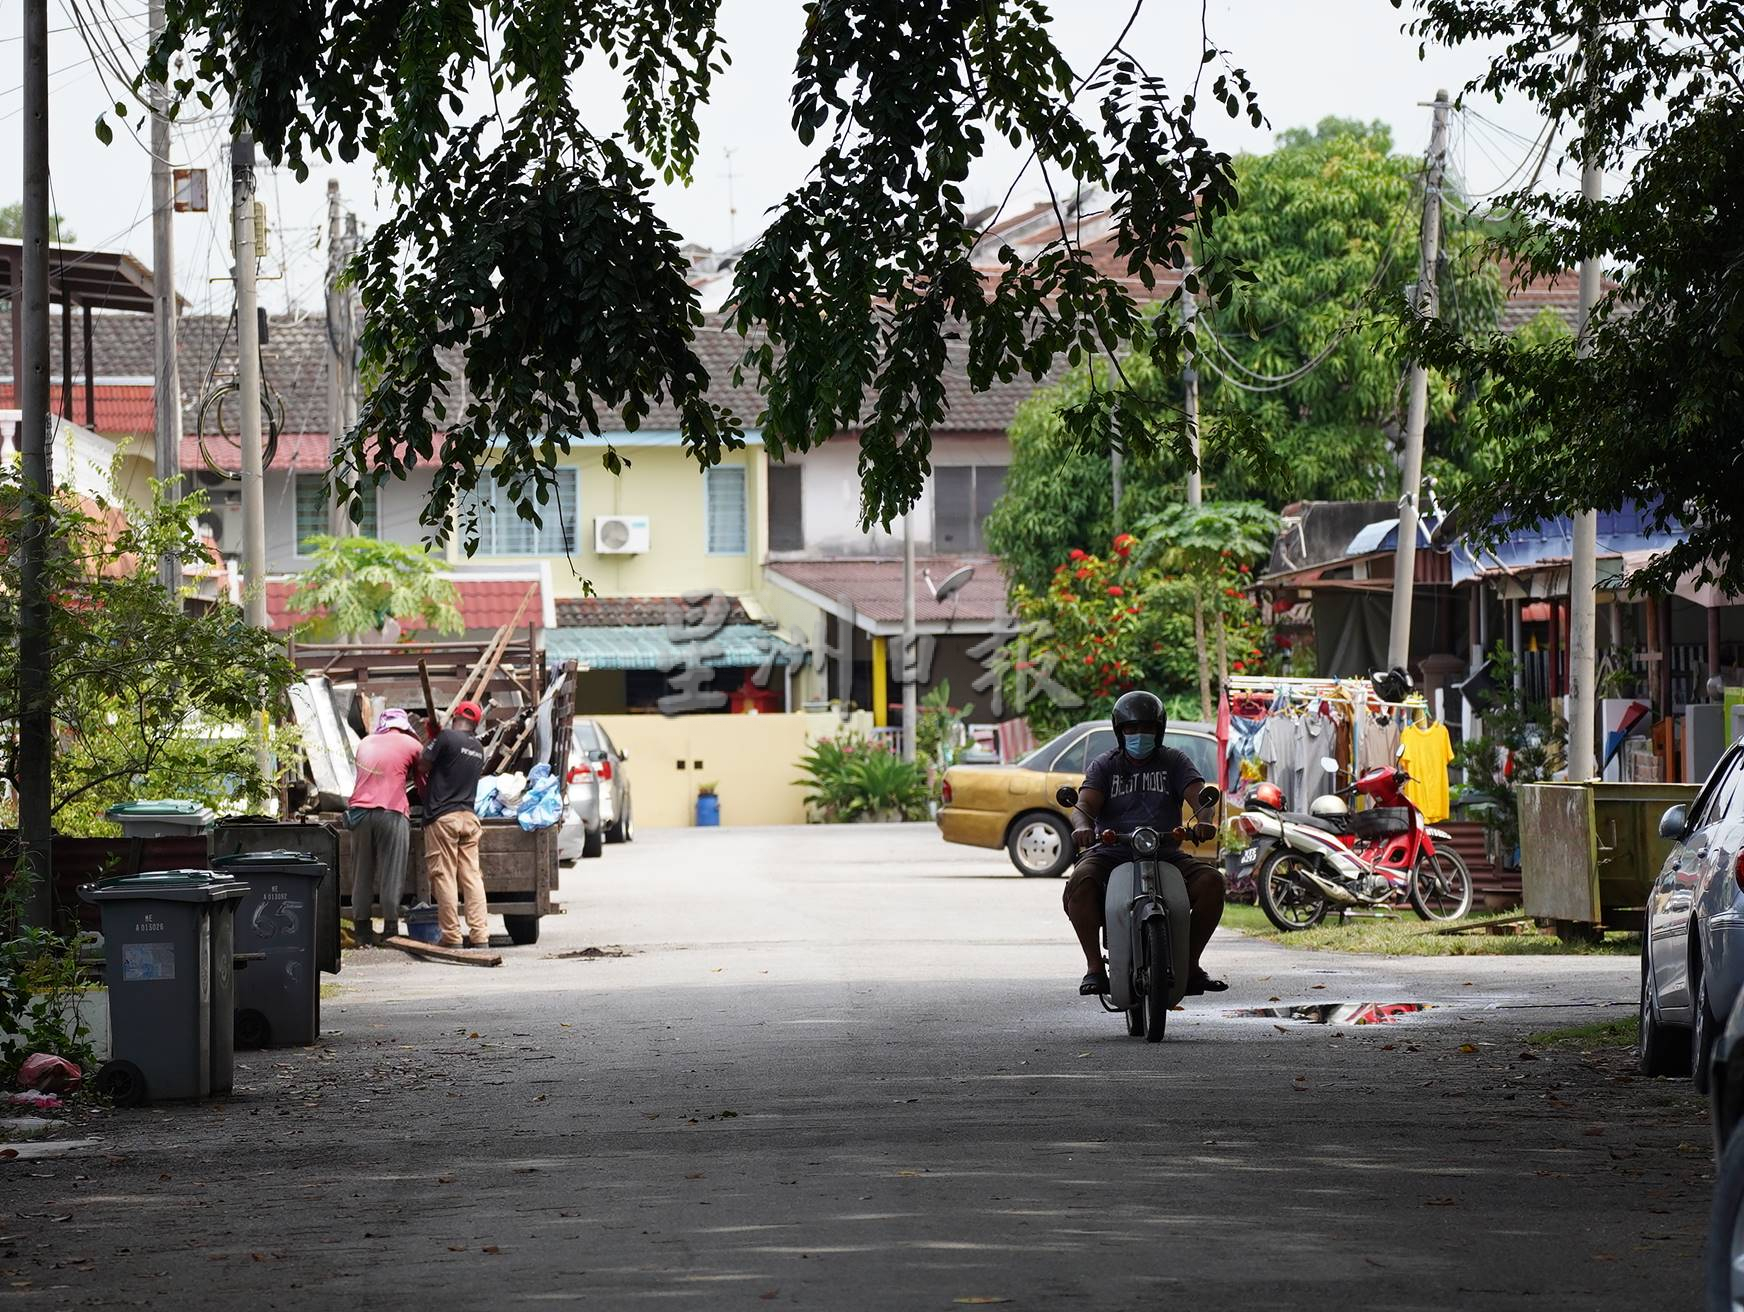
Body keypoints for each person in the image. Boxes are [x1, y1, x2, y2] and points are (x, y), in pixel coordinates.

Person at [1063, 689, 1228, 997]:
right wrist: (1083, 828)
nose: (1139, 735)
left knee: (1212, 882)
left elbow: (1199, 797)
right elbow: (1083, 805)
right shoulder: (1105, 765)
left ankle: (1191, 965)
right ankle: (1094, 967)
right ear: (1120, 731)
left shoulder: (1175, 761)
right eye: (1132, 728)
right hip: (1111, 851)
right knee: (1081, 882)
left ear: (1159, 730)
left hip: (1164, 851)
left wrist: (1204, 820)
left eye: (1147, 728)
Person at [346, 707, 424, 945]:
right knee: (392, 871)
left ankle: (362, 933)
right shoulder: (412, 745)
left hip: (359, 814)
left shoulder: (365, 742)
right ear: (404, 726)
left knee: (362, 873)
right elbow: (423, 784)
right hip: (392, 812)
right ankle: (390, 930)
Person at [421, 700, 490, 949]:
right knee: (472, 878)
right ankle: (480, 935)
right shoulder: (479, 748)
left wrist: (432, 739)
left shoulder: (446, 737)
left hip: (444, 818)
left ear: (455, 717)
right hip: (469, 818)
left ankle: (451, 936)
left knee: (445, 876)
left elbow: (422, 764)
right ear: (476, 724)